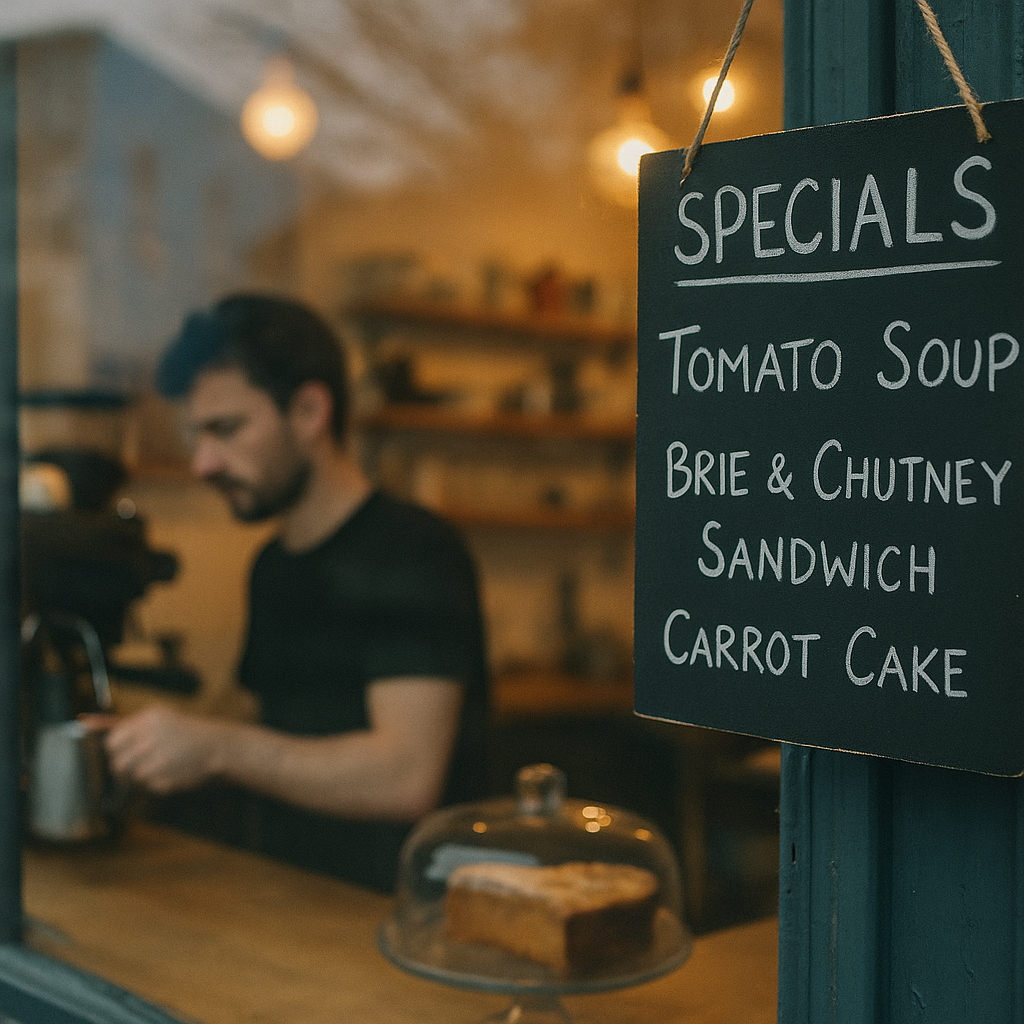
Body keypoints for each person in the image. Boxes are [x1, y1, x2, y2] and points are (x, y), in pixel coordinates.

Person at [96, 293, 490, 892]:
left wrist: (215, 748)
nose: (203, 463)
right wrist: (143, 741)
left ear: (309, 411)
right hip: (295, 900)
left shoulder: (413, 551)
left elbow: (408, 775)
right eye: (195, 436)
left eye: (225, 430)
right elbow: (265, 716)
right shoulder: (273, 565)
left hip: (407, 917)